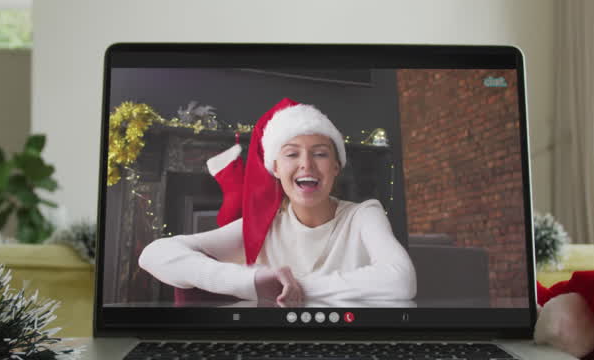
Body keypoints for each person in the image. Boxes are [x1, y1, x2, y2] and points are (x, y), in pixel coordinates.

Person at [138, 98, 416, 305]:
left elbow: (401, 280)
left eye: (319, 154)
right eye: (292, 155)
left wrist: (296, 288)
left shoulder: (364, 215)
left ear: (336, 167)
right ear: (276, 169)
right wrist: (253, 282)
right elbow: (154, 254)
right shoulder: (264, 227)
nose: (306, 164)